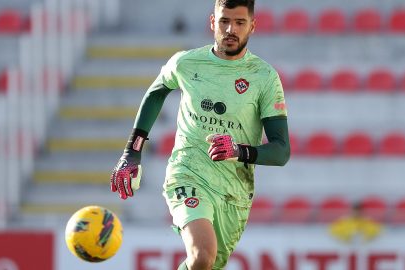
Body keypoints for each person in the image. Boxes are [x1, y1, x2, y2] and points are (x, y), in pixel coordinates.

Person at [110, 0, 290, 269]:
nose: (230, 29)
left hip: (234, 193)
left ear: (252, 26)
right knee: (202, 254)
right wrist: (132, 151)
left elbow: (281, 150)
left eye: (239, 23)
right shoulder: (186, 62)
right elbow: (157, 91)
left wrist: (239, 151)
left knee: (204, 264)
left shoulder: (264, 78)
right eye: (224, 21)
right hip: (187, 173)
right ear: (212, 22)